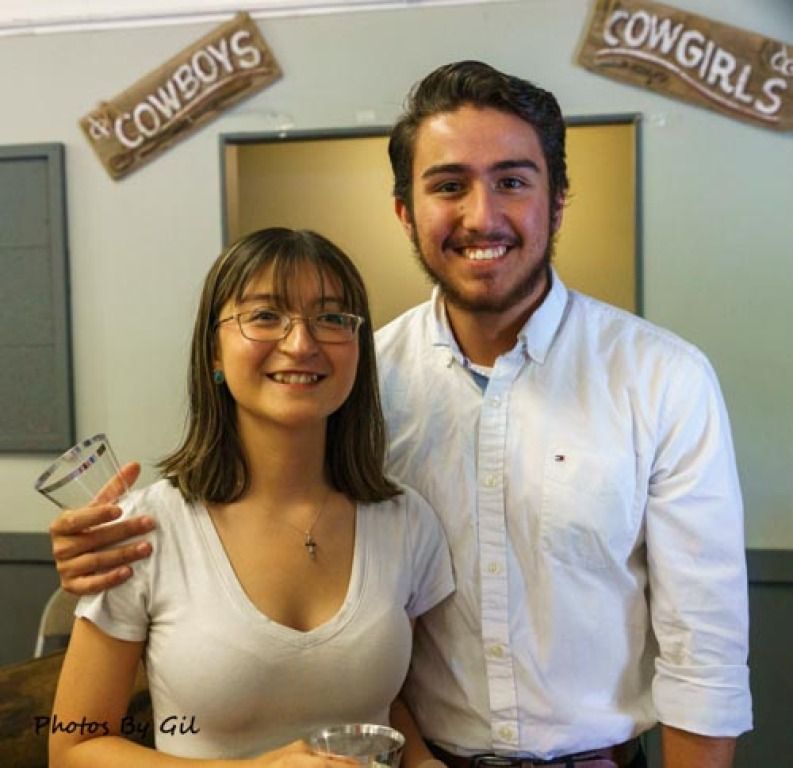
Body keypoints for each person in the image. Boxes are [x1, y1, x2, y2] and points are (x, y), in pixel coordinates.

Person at [50, 62, 752, 768]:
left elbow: (705, 647)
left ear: (558, 201)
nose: (481, 216)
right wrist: (98, 551)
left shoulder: (662, 379)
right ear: (404, 211)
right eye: (448, 186)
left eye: (512, 181)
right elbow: (240, 509)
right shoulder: (356, 380)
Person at [48, 227, 454, 767]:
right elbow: (74, 746)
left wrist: (423, 762)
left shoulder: (406, 520)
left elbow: (381, 701)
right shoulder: (144, 529)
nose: (301, 343)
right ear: (214, 351)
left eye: (332, 318)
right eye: (265, 316)